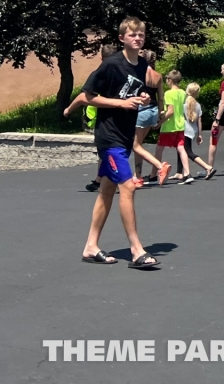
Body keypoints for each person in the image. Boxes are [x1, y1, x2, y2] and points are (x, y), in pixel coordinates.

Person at [80, 16, 160, 268]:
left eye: (141, 35)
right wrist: (120, 103)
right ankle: (137, 251)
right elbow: (87, 96)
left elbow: (134, 92)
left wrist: (143, 99)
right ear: (122, 38)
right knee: (128, 187)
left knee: (106, 191)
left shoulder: (141, 65)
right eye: (133, 35)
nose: (138, 38)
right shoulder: (112, 65)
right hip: (109, 136)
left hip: (125, 135)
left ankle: (91, 247)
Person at [64, 44, 118, 192]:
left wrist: (69, 109)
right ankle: (99, 181)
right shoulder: (124, 73)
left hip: (105, 121)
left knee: (107, 151)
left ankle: (118, 179)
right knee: (112, 151)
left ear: (101, 57)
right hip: (123, 119)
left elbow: (84, 96)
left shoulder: (99, 74)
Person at [135, 50, 171, 186]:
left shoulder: (139, 73)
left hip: (141, 109)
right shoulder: (157, 76)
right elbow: (161, 97)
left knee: (135, 145)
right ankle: (138, 177)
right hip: (153, 110)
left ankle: (160, 166)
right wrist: (159, 114)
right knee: (139, 144)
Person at [153, 70, 192, 183]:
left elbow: (170, 111)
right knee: (181, 148)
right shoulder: (182, 92)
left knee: (159, 149)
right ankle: (187, 173)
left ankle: (155, 172)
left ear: (169, 80)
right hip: (180, 125)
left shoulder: (168, 93)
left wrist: (159, 123)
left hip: (169, 126)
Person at [180, 83, 215, 182]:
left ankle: (208, 167)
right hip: (193, 131)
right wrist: (200, 134)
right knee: (182, 151)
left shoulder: (183, 104)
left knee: (188, 152)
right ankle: (180, 173)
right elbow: (199, 121)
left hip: (184, 130)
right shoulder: (198, 105)